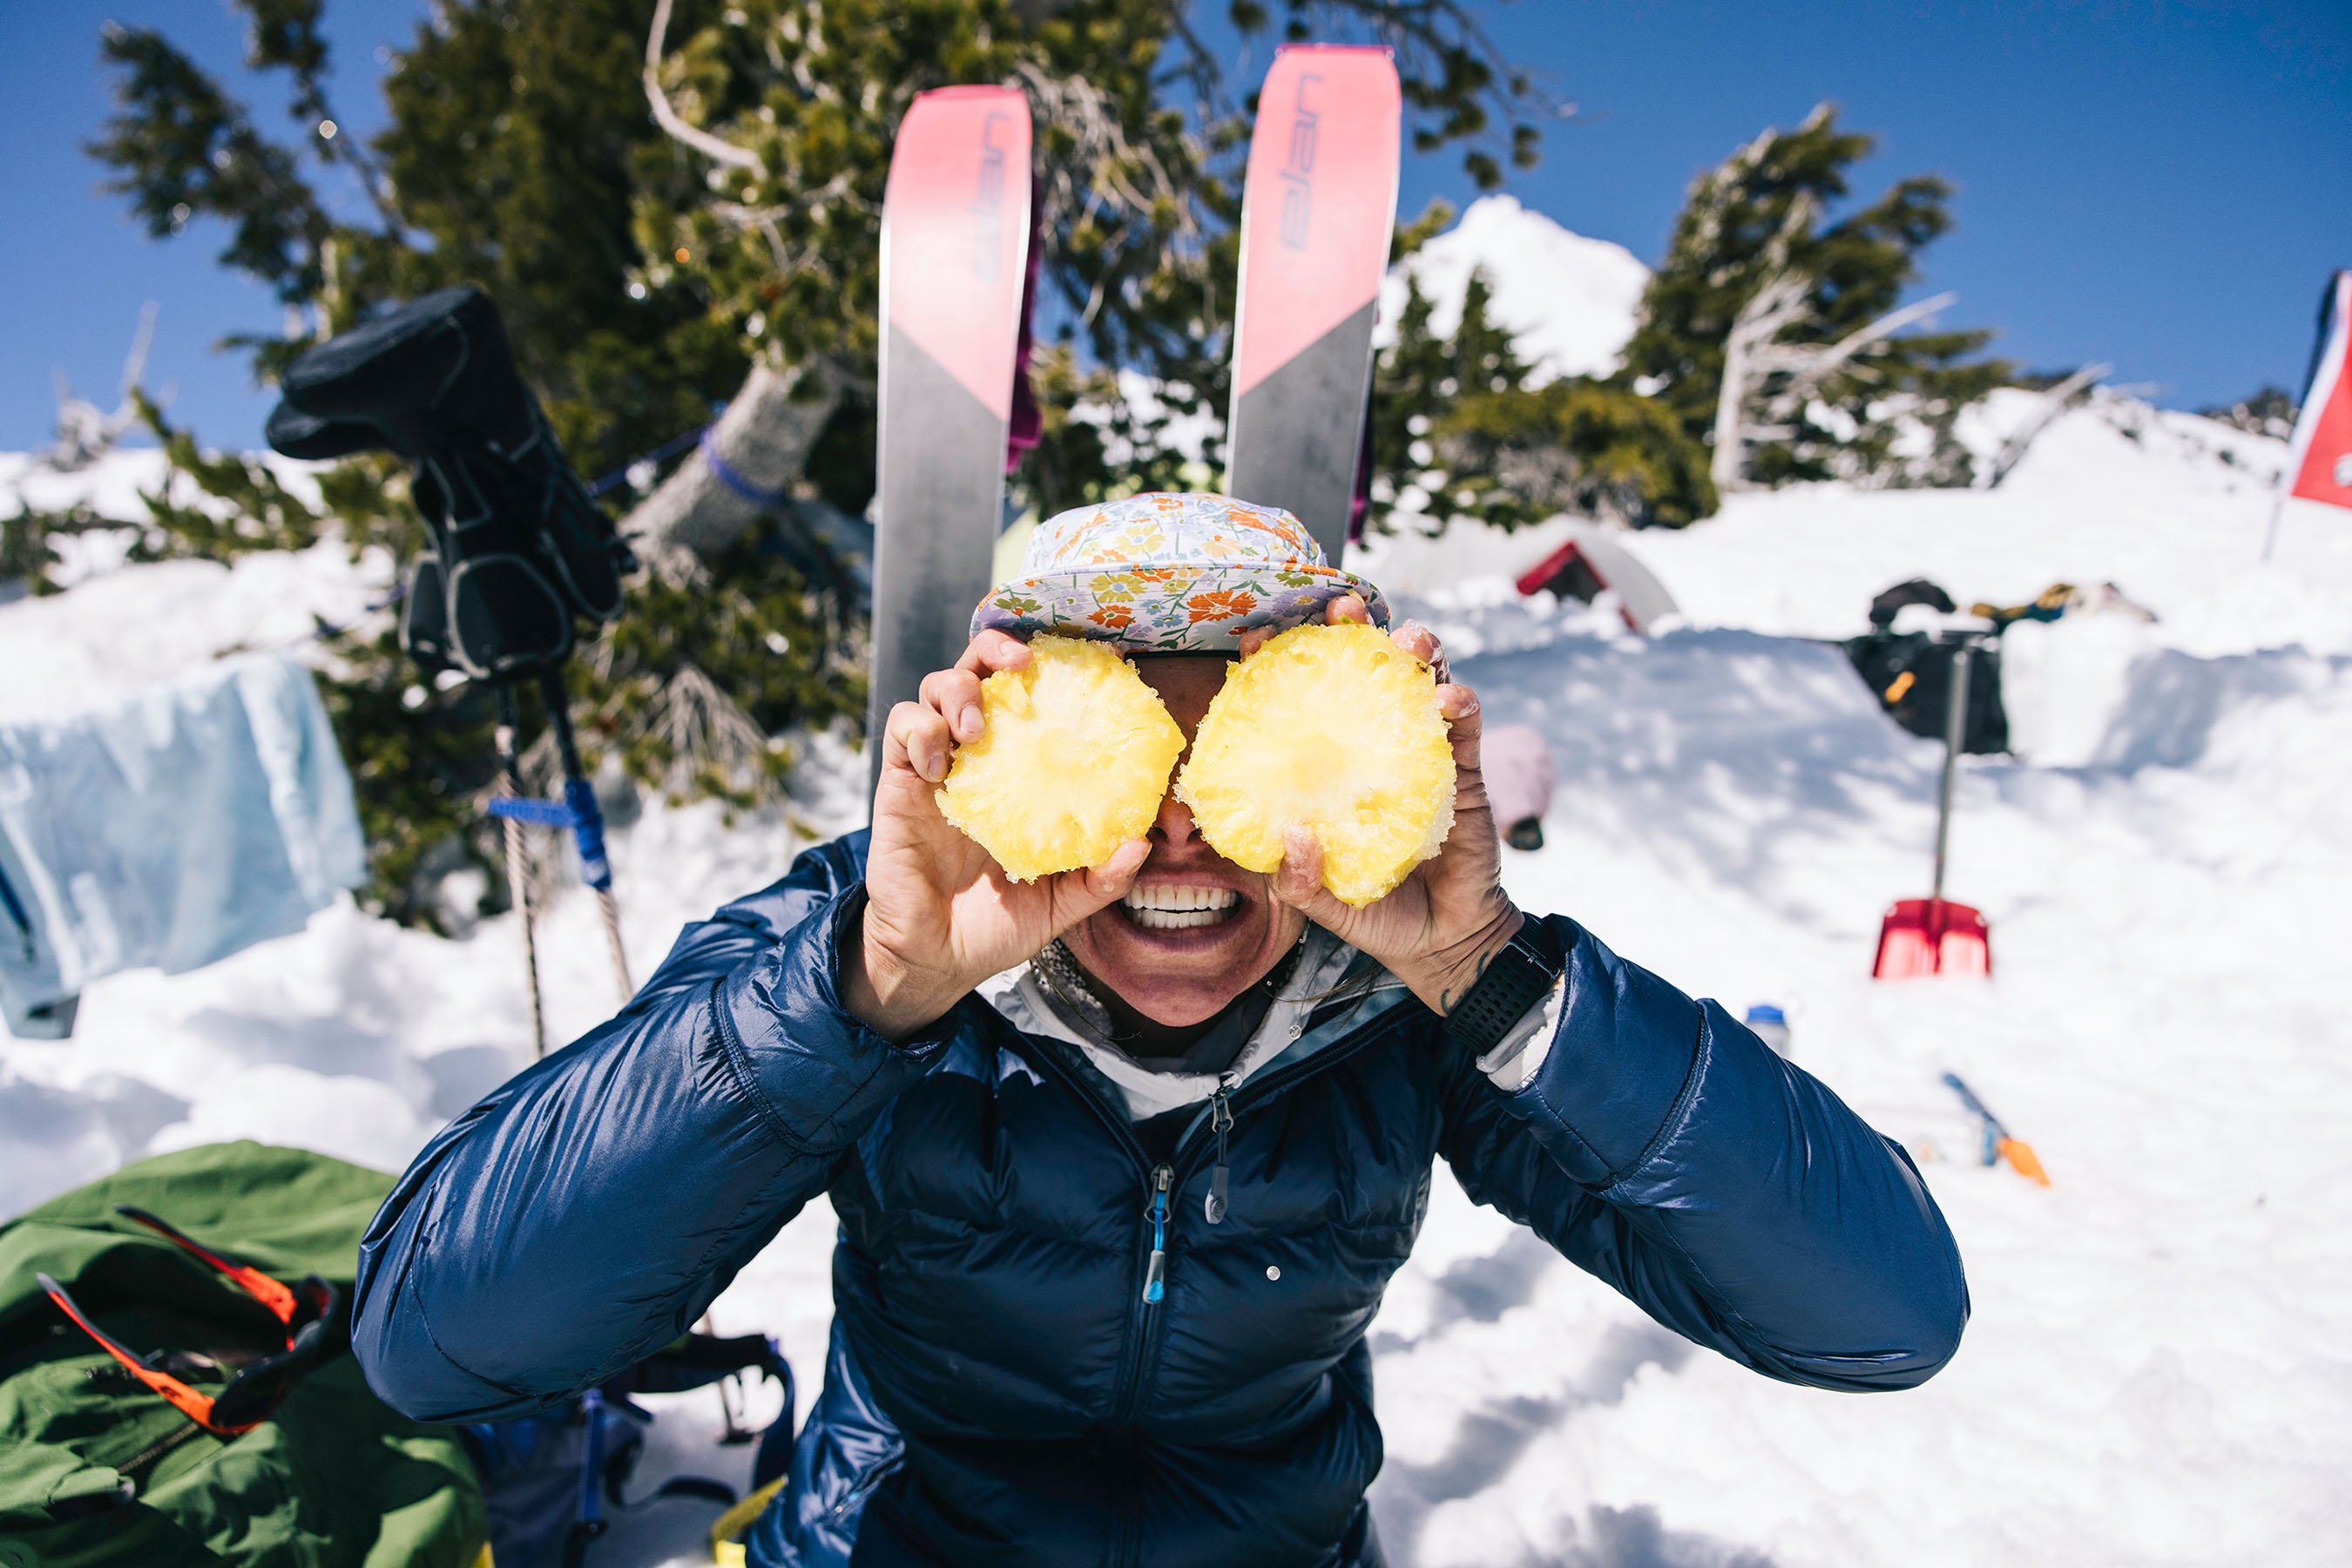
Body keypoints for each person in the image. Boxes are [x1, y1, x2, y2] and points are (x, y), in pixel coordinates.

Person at [351, 493, 1968, 1568]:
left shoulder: (1404, 998)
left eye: (1245, 767)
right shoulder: (876, 932)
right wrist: (867, 997)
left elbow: (1881, 1316)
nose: (1183, 843)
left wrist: (1492, 974)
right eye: (1131, 766)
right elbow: (429, 1344)